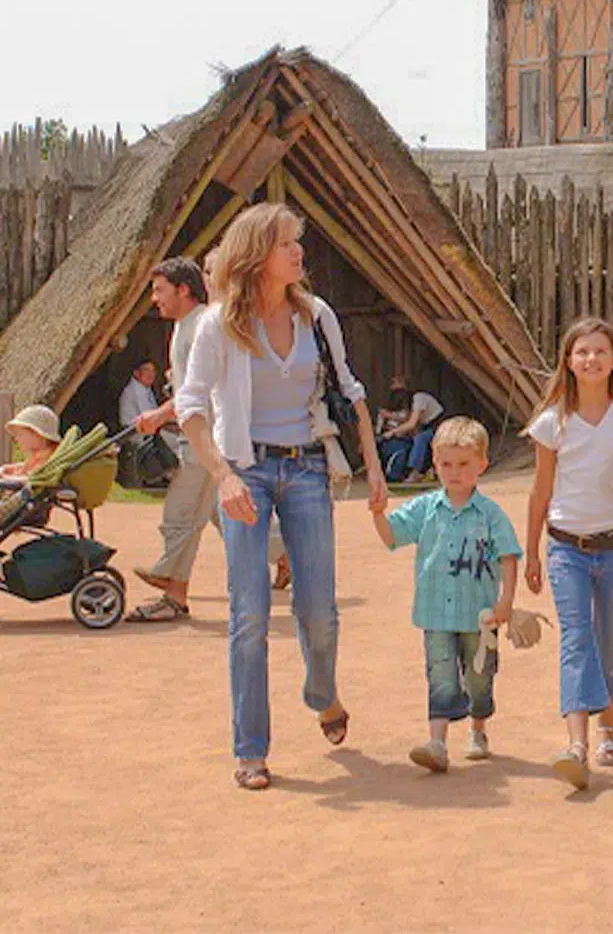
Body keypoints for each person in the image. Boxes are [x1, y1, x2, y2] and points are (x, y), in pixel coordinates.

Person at [176, 201, 387, 790]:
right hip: (246, 472)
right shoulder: (218, 325)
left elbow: (351, 393)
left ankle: (322, 694)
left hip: (308, 471)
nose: (298, 252)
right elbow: (192, 408)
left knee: (319, 611)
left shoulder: (318, 315)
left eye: (298, 242)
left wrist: (373, 468)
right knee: (249, 615)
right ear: (256, 255)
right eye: (286, 244)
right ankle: (251, 749)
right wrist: (223, 475)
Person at [524, 317, 613, 791]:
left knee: (609, 637)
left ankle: (609, 727)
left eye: (600, 352)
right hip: (566, 547)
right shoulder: (553, 423)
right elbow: (540, 490)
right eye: (581, 351)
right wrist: (531, 554)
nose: (591, 359)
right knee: (575, 639)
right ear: (568, 361)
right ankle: (576, 746)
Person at [371, 416, 521, 772]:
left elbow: (509, 555)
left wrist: (507, 601)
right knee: (440, 674)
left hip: (479, 614)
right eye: (446, 464)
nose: (454, 472)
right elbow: (392, 536)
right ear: (435, 464)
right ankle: (437, 743)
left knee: (479, 677)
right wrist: (378, 513)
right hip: (435, 612)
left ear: (482, 465)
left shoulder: (491, 514)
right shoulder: (424, 509)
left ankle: (478, 727)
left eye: (464, 464)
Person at [125, 258, 216, 623]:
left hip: (205, 437)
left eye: (159, 290)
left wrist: (159, 415)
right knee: (200, 514)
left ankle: (170, 584)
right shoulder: (185, 327)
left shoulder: (200, 327)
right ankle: (174, 594)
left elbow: (198, 389)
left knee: (182, 512)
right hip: (198, 436)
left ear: (183, 290)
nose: (153, 298)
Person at [202, 247, 292, 591]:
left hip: (240, 442)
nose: (208, 280)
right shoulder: (209, 321)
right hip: (215, 437)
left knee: (236, 508)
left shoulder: (238, 323)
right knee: (223, 509)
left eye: (212, 272)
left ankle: (278, 556)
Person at [381, 376, 444, 483]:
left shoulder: (419, 398)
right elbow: (408, 420)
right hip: (427, 427)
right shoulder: (412, 403)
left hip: (439, 426)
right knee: (415, 439)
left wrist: (392, 432)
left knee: (420, 438)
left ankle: (415, 472)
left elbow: (411, 423)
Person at [1, 405, 62, 481]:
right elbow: (30, 467)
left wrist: (4, 477)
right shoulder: (41, 454)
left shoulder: (48, 460)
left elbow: (32, 480)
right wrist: (11, 468)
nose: (16, 439)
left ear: (38, 434)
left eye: (20, 435)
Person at [118, 360, 159, 429]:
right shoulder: (134, 390)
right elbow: (148, 416)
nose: (151, 374)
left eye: (153, 371)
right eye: (146, 370)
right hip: (135, 434)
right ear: (136, 373)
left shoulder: (146, 388)